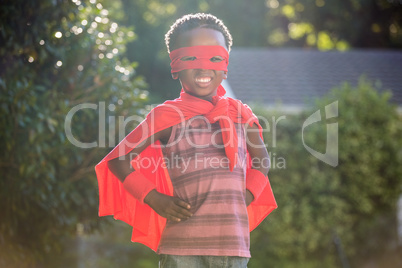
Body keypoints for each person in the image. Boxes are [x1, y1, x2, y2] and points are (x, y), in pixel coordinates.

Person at [95, 13, 277, 268]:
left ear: (225, 64)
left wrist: (244, 197)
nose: (203, 68)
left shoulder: (241, 114)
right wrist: (154, 199)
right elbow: (117, 160)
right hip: (180, 250)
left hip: (232, 248)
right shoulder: (165, 116)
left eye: (214, 58)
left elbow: (262, 161)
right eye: (191, 58)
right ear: (175, 65)